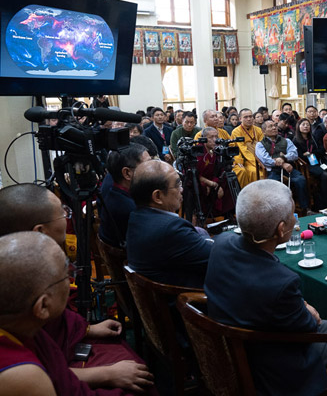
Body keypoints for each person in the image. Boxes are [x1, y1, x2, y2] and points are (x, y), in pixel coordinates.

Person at [204, 180, 327, 395]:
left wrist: (302, 307)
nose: (295, 219)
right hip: (271, 367)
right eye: (292, 215)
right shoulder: (282, 282)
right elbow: (308, 325)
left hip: (232, 343)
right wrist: (307, 310)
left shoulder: (221, 242)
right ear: (281, 230)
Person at [0, 188, 155, 394]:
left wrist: (88, 329)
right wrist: (107, 374)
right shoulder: (20, 375)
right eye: (66, 275)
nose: (71, 280)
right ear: (43, 305)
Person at [127, 160, 213, 288]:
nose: (182, 189)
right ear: (157, 196)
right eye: (177, 185)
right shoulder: (171, 230)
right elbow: (217, 257)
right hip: (189, 301)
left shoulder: (137, 217)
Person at [98, 144, 151, 247]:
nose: (153, 169)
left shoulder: (116, 191)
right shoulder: (131, 211)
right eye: (148, 165)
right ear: (127, 173)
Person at [256, 120, 310, 213]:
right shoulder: (260, 145)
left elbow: (294, 154)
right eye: (270, 126)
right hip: (273, 170)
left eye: (275, 125)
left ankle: (305, 208)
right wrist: (283, 163)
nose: (274, 128)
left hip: (289, 169)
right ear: (264, 131)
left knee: (301, 180)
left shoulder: (286, 140)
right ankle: (277, 211)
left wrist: (283, 158)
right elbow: (265, 160)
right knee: (274, 184)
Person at [293, 118, 327, 210]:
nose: (306, 126)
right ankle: (326, 204)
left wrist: (312, 153)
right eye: (303, 125)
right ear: (298, 127)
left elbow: (322, 150)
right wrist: (307, 155)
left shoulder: (314, 137)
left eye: (308, 125)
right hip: (307, 165)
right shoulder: (295, 140)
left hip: (319, 161)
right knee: (325, 175)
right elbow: (299, 156)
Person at [196, 127, 232, 217]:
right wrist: (212, 184)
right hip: (200, 180)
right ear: (203, 139)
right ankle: (205, 216)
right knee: (202, 187)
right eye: (211, 137)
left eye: (216, 136)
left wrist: (217, 183)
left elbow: (220, 170)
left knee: (228, 181)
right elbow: (195, 174)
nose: (215, 140)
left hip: (213, 179)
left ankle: (227, 214)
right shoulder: (198, 151)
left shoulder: (216, 150)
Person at [232, 108, 265, 187]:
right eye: (246, 117)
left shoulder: (258, 130)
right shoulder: (236, 131)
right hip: (246, 160)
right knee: (255, 172)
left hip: (260, 158)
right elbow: (243, 150)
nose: (249, 119)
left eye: (250, 116)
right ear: (240, 119)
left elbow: (263, 147)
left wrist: (262, 160)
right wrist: (256, 163)